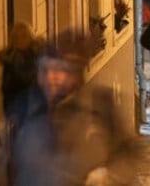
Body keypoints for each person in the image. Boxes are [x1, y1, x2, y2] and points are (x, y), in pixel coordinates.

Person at [8, 30, 135, 185]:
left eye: (58, 69)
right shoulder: (25, 110)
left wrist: (109, 175)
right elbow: (10, 167)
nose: (51, 77)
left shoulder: (101, 105)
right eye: (45, 70)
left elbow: (128, 156)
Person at [0, 22, 41, 118]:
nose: (20, 40)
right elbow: (6, 88)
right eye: (16, 37)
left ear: (30, 38)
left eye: (24, 36)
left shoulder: (39, 58)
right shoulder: (9, 60)